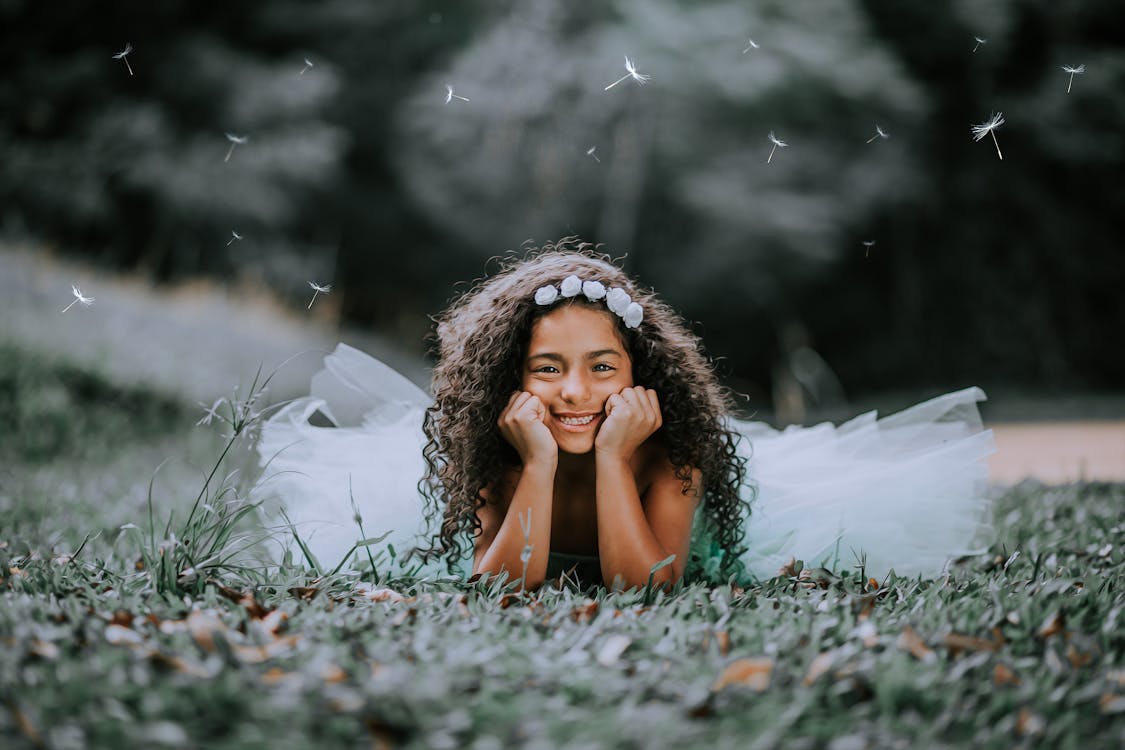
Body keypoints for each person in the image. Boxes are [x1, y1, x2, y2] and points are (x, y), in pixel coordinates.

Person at [253, 238, 995, 590]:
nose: (575, 392)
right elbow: (502, 587)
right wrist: (538, 464)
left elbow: (645, 589)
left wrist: (612, 458)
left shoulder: (671, 455)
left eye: (601, 368)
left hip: (701, 507)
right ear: (509, 380)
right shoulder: (494, 452)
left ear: (642, 374)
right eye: (547, 369)